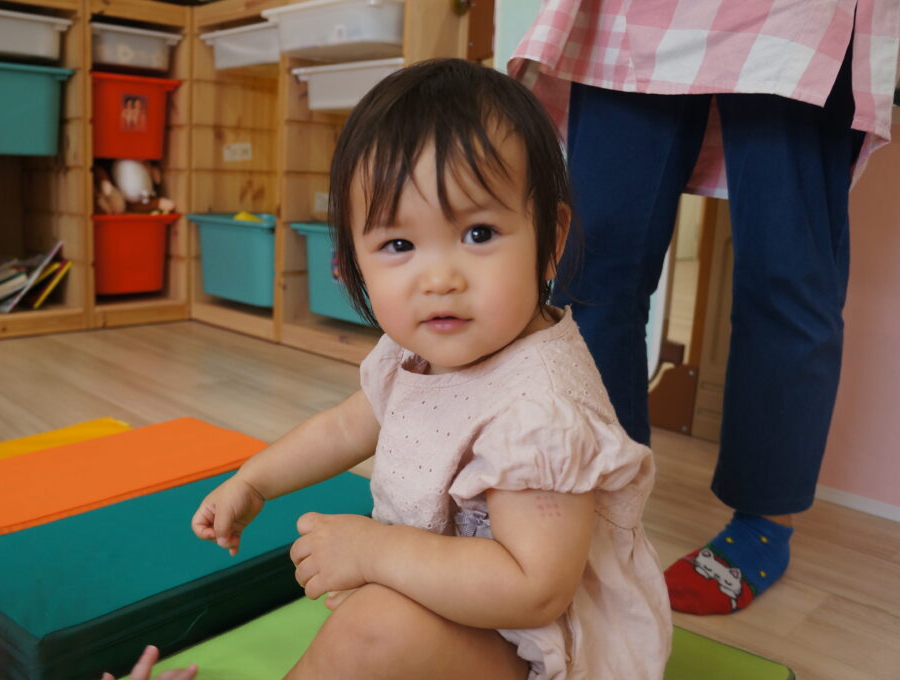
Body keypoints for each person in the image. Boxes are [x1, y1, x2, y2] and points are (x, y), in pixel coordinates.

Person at [105, 58, 672, 679]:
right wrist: (254, 482)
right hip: (459, 612)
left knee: (375, 628)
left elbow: (534, 589)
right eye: (399, 245)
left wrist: (375, 550)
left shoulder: (540, 412)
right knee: (372, 618)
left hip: (540, 651)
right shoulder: (414, 354)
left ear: (551, 241)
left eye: (480, 233)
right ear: (352, 261)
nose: (441, 279)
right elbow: (344, 427)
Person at [509, 1, 899, 615]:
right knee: (591, 269)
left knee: (787, 271)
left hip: (800, 14)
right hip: (641, 12)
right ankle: (603, 501)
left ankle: (764, 523)